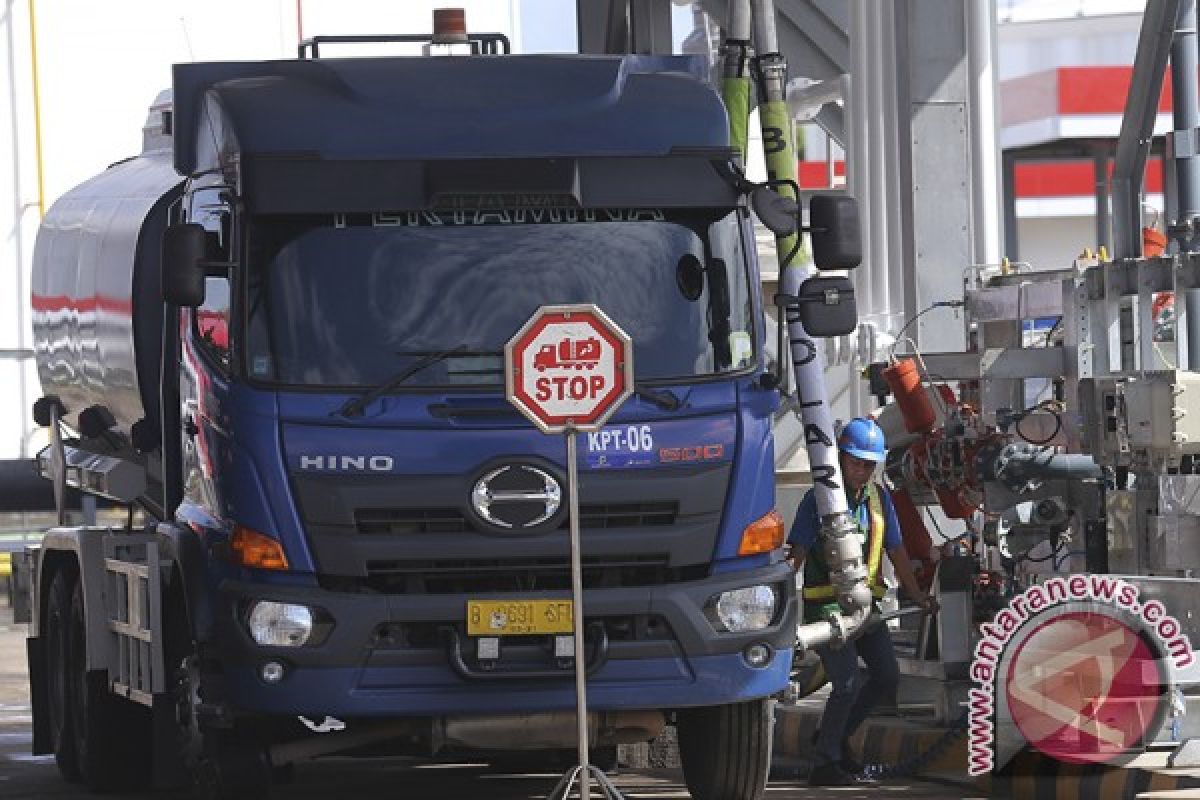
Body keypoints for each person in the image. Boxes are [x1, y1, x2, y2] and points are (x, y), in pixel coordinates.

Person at [787, 416, 936, 787]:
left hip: (867, 609)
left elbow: (896, 549)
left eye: (870, 465)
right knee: (847, 684)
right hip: (829, 611)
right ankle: (825, 763)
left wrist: (916, 594)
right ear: (840, 457)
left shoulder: (879, 499)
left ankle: (832, 739)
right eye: (857, 463)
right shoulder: (817, 501)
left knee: (886, 676)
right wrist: (777, 603)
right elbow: (797, 553)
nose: (863, 471)